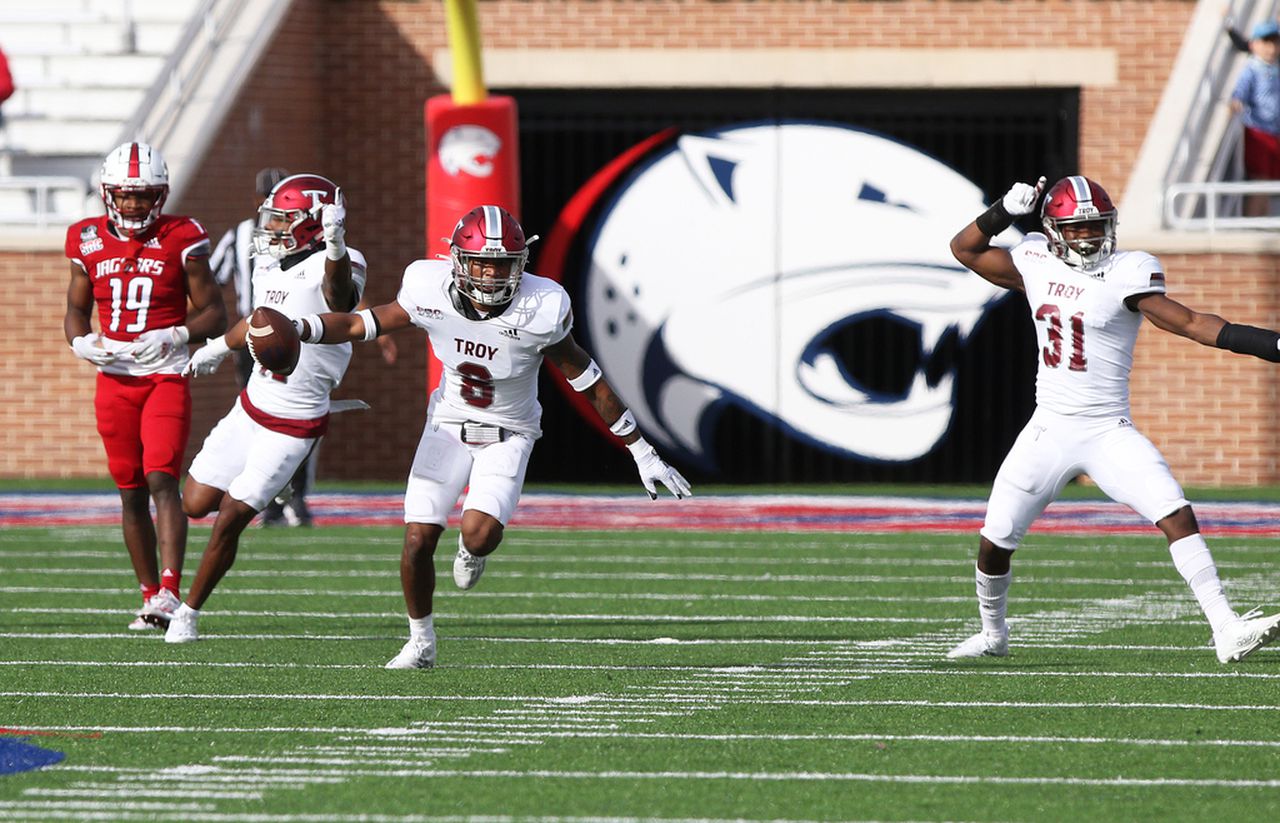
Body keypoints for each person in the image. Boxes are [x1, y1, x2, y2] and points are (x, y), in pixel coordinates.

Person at [294, 204, 691, 669]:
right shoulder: (428, 289)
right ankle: (421, 642)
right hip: (446, 424)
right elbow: (363, 324)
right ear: (458, 260)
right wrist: (300, 328)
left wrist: (641, 451)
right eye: (481, 261)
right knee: (418, 538)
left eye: (502, 264)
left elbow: (588, 379)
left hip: (510, 432)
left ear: (521, 265)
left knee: (479, 535)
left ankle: (471, 550)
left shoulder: (541, 309)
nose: (489, 274)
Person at [947, 174, 1280, 664]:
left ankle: (1227, 627)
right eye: (1077, 228)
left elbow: (1191, 323)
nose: (1088, 237)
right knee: (995, 541)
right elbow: (966, 249)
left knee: (1176, 512)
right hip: (1049, 427)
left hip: (1106, 428)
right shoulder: (1035, 258)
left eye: (1095, 227)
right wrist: (1000, 212)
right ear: (1054, 230)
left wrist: (1273, 344)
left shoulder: (1129, 271)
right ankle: (994, 634)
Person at [164, 173, 364, 643]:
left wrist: (334, 244)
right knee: (194, 503)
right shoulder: (268, 263)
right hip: (251, 406)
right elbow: (257, 322)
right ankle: (265, 488)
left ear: (316, 223)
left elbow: (342, 299)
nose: (270, 227)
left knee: (233, 513)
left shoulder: (345, 259)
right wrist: (215, 348)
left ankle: (189, 612)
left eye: (282, 219)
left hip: (295, 420)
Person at [63, 140, 227, 630]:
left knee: (161, 477)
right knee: (129, 488)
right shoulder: (85, 239)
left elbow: (215, 312)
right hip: (113, 377)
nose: (135, 204)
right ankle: (149, 594)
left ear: (162, 194)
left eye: (144, 195)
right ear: (108, 194)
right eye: (126, 195)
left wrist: (176, 332)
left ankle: (172, 592)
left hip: (164, 374)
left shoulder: (183, 235)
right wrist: (80, 342)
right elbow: (75, 308)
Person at [1231, 20, 1280, 217]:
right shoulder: (1252, 68)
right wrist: (1236, 101)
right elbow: (1241, 89)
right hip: (1258, 131)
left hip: (1274, 131)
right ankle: (1253, 220)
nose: (1271, 48)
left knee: (1268, 182)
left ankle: (1264, 221)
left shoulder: (1276, 69)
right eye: (1266, 42)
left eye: (1275, 42)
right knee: (1259, 180)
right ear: (1254, 44)